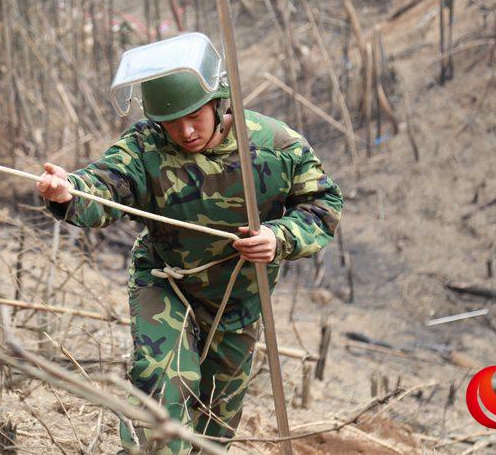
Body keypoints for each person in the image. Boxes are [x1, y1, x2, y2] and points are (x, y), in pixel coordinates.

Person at [37, 57, 343, 454]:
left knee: (215, 422)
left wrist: (278, 236)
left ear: (218, 104)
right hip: (167, 280)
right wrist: (69, 190)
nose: (184, 132)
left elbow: (323, 204)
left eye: (194, 117)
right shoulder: (145, 145)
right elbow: (105, 186)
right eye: (171, 122)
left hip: (239, 297)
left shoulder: (276, 146)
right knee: (164, 385)